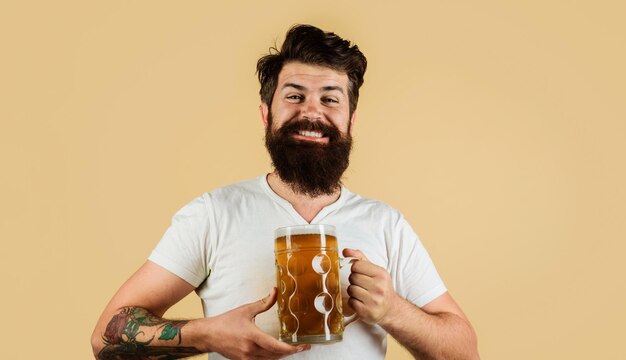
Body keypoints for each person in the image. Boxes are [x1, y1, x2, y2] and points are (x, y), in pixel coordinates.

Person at [91, 24, 479, 360]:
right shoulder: (213, 213)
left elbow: (465, 352)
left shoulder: (386, 224)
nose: (312, 112)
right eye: (294, 96)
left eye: (330, 98)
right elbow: (106, 337)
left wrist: (393, 309)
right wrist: (205, 334)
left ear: (350, 120)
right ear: (266, 113)